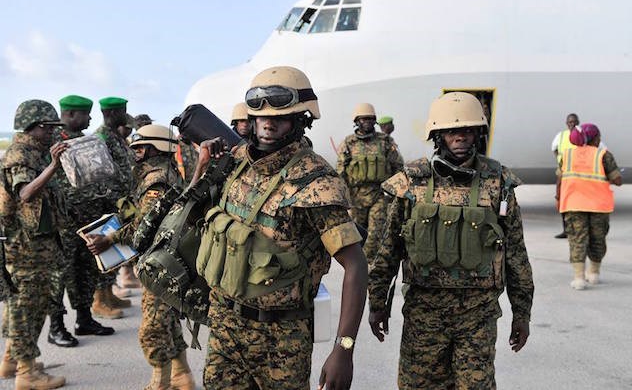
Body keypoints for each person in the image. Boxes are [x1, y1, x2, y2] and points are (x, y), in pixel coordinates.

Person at [196, 66, 368, 390]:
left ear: (302, 119)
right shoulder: (236, 161)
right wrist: (202, 168)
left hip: (281, 340)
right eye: (261, 116)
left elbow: (356, 265)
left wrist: (344, 350)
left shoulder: (316, 182)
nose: (268, 123)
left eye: (281, 117)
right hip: (224, 326)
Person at [368, 92, 534, 389]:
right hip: (424, 314)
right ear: (438, 135)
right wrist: (377, 302)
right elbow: (390, 247)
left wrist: (522, 314)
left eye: (467, 130)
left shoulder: (498, 182)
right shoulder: (413, 181)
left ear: (477, 134)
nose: (460, 137)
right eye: (451, 131)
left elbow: (515, 253)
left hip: (478, 316)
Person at [86, 124, 195, 390]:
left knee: (153, 327)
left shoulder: (156, 180)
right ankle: (181, 375)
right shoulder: (161, 173)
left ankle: (161, 382)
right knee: (167, 319)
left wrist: (110, 239)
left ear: (155, 149)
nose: (135, 152)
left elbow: (146, 224)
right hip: (165, 259)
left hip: (160, 263)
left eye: (140, 148)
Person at [0, 99, 68, 388]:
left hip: (34, 244)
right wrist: (53, 166)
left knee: (24, 305)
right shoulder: (21, 154)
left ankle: (11, 362)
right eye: (48, 127)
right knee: (28, 307)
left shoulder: (33, 151)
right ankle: (27, 374)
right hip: (26, 249)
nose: (52, 132)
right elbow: (25, 193)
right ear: (33, 126)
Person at [47, 95, 114, 350]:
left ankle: (84, 319)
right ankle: (56, 327)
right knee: (61, 274)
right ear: (71, 114)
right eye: (86, 114)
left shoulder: (87, 141)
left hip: (89, 217)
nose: (90, 118)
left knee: (86, 269)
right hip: (64, 221)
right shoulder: (53, 142)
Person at [557, 123, 622, 290]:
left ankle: (578, 278)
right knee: (597, 238)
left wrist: (558, 198)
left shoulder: (567, 154)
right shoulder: (603, 155)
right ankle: (593, 273)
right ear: (593, 138)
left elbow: (560, 179)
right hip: (598, 206)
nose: (600, 139)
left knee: (577, 239)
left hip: (573, 204)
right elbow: (617, 180)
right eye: (598, 136)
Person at [336, 103, 403, 263]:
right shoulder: (349, 143)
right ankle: (357, 264)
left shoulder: (385, 141)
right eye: (363, 119)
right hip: (356, 197)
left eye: (370, 119)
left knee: (375, 234)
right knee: (356, 236)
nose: (367, 122)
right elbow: (340, 171)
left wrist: (396, 193)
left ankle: (368, 266)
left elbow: (398, 167)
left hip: (379, 196)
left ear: (375, 121)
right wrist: (341, 198)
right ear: (357, 121)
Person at [93, 96, 137, 318]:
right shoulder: (101, 137)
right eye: (122, 111)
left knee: (115, 249)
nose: (125, 115)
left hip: (120, 201)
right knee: (103, 248)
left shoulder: (115, 137)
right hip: (107, 201)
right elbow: (99, 172)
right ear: (110, 113)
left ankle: (109, 293)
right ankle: (99, 300)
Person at [551, 113, 579, 239]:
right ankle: (566, 230)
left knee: (577, 203)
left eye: (574, 121)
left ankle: (577, 230)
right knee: (563, 201)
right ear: (567, 123)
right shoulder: (561, 135)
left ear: (578, 122)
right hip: (564, 170)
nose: (572, 124)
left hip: (578, 172)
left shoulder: (582, 135)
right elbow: (554, 149)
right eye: (570, 122)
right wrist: (559, 159)